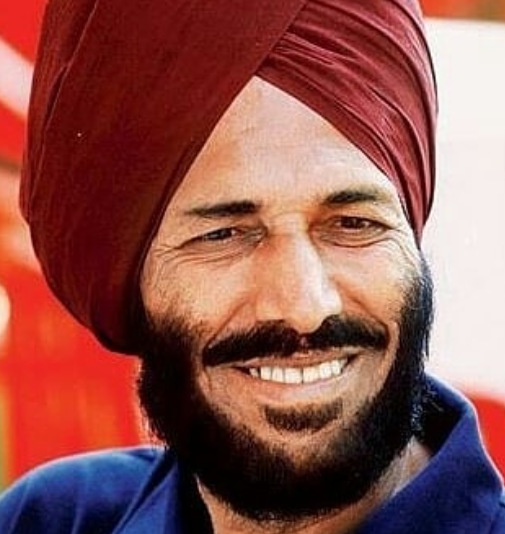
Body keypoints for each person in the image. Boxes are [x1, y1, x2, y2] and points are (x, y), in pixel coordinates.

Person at [0, 0, 504, 532]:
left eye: (354, 224)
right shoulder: (56, 519)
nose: (304, 305)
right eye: (224, 235)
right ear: (128, 274)